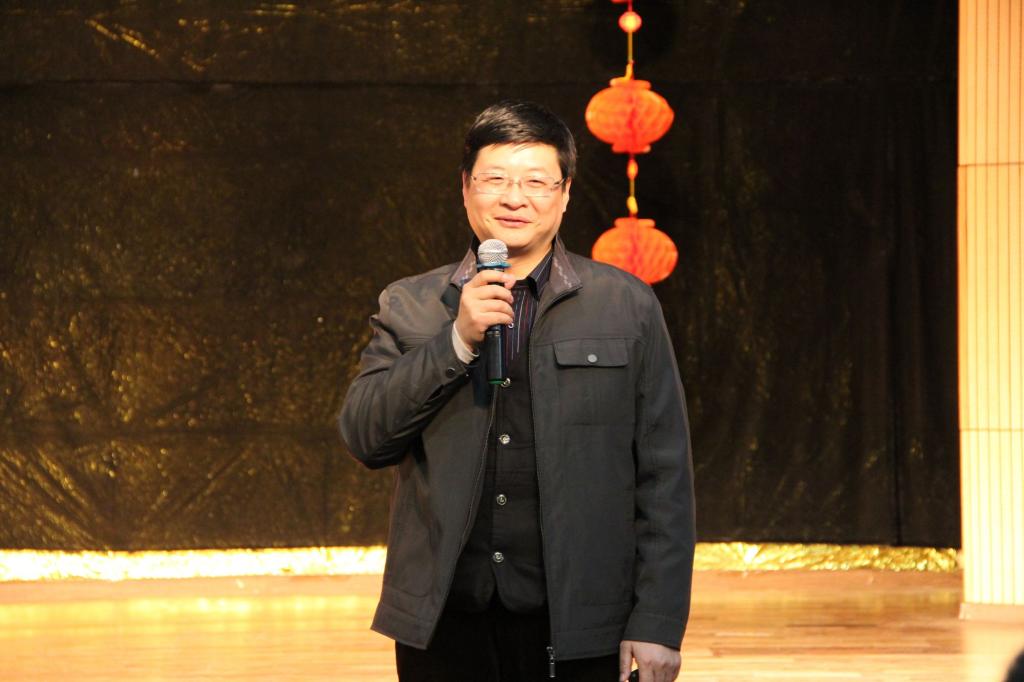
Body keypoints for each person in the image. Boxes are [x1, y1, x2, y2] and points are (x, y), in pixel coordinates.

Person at [338, 100, 695, 682]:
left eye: (535, 181)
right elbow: (365, 436)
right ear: (465, 188)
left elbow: (665, 476)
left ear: (565, 193)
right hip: (447, 621)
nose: (514, 198)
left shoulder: (626, 304)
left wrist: (657, 620)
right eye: (495, 180)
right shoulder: (411, 305)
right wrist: (455, 341)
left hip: (582, 620)